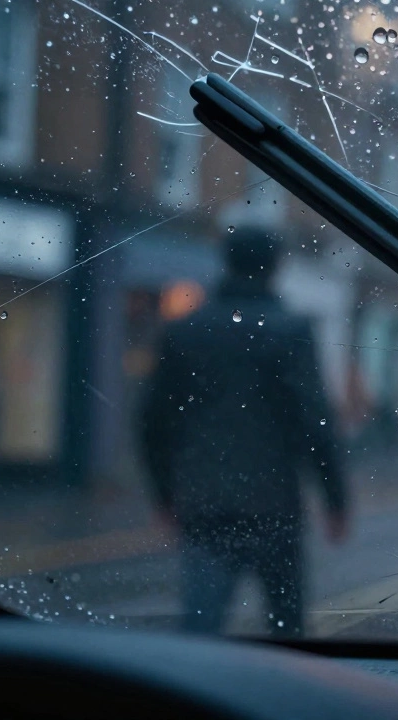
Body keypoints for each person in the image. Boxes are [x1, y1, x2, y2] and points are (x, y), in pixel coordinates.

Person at [140, 227, 347, 638]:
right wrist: (335, 499)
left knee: (200, 627)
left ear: (226, 261)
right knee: (286, 627)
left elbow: (152, 422)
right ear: (275, 267)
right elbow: (314, 422)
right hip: (274, 506)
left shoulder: (185, 331)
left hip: (205, 503)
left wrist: (164, 493)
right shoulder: (291, 332)